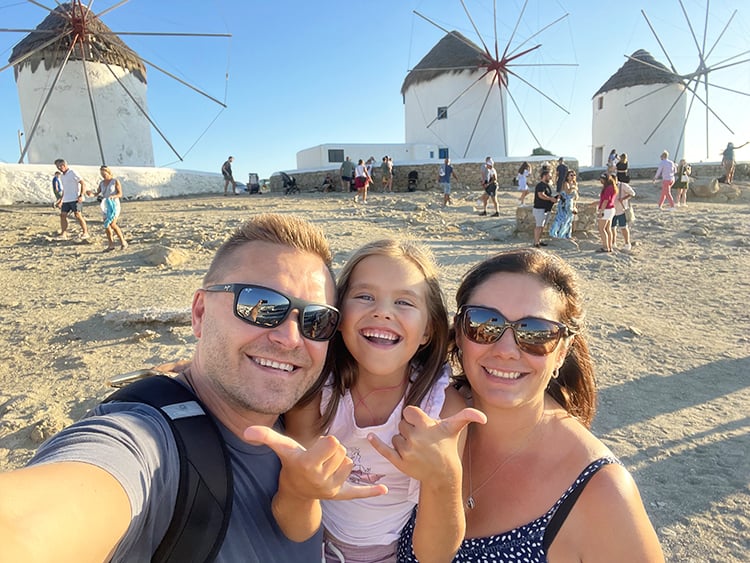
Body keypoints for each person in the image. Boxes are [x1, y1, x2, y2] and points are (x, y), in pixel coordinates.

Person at [0, 214, 382, 561]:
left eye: (316, 321)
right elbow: (34, 520)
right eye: (261, 305)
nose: (289, 338)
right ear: (200, 312)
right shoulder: (147, 445)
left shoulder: (308, 413)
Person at [397, 248, 665, 562]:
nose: (506, 350)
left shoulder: (602, 492)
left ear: (562, 352)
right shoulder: (427, 414)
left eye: (535, 333)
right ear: (460, 331)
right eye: (485, 324)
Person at [284, 239, 484, 563]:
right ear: (339, 314)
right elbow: (293, 525)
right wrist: (299, 488)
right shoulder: (315, 394)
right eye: (364, 296)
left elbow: (436, 555)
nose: (382, 311)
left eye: (404, 302)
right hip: (312, 546)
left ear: (428, 331)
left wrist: (443, 478)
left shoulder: (442, 412)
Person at [90, 165, 128, 251]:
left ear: (108, 173)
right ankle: (111, 244)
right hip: (105, 205)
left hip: (114, 204)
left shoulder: (115, 181)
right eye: (102, 174)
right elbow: (97, 193)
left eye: (105, 174)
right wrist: (91, 194)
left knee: (112, 224)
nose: (103, 176)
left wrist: (113, 196)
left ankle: (123, 241)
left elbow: (120, 194)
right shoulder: (102, 183)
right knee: (106, 225)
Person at [54, 158, 89, 240]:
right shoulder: (62, 176)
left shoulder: (73, 172)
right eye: (57, 167)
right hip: (66, 199)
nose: (59, 168)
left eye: (60, 166)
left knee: (78, 215)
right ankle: (63, 233)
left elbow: (82, 183)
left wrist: (81, 195)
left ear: (64, 165)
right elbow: (65, 189)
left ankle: (85, 232)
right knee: (62, 215)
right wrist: (61, 200)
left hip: (75, 198)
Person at [549, 170, 578, 240]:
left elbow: (575, 197)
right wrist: (573, 187)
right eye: (571, 175)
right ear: (567, 177)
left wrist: (574, 206)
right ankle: (556, 234)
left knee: (569, 220)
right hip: (564, 204)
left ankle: (567, 234)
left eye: (574, 175)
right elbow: (568, 192)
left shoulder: (575, 184)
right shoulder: (566, 183)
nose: (573, 177)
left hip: (570, 204)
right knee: (561, 219)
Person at [532, 168, 558, 247]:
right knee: (538, 226)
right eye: (549, 175)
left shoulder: (547, 186)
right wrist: (551, 199)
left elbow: (548, 195)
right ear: (544, 176)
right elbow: (541, 195)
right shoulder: (540, 185)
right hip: (540, 209)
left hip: (546, 209)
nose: (550, 177)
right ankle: (536, 242)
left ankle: (539, 241)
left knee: (542, 226)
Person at [595, 173, 618, 253]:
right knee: (608, 229)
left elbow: (605, 200)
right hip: (611, 209)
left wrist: (601, 211)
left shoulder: (608, 188)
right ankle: (609, 246)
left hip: (606, 209)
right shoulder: (612, 187)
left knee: (602, 229)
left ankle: (605, 247)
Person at [612, 179, 635, 251]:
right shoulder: (609, 186)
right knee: (612, 228)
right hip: (612, 210)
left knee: (623, 227)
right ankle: (613, 243)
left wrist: (623, 198)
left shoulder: (623, 185)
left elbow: (632, 193)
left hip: (622, 210)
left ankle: (627, 243)